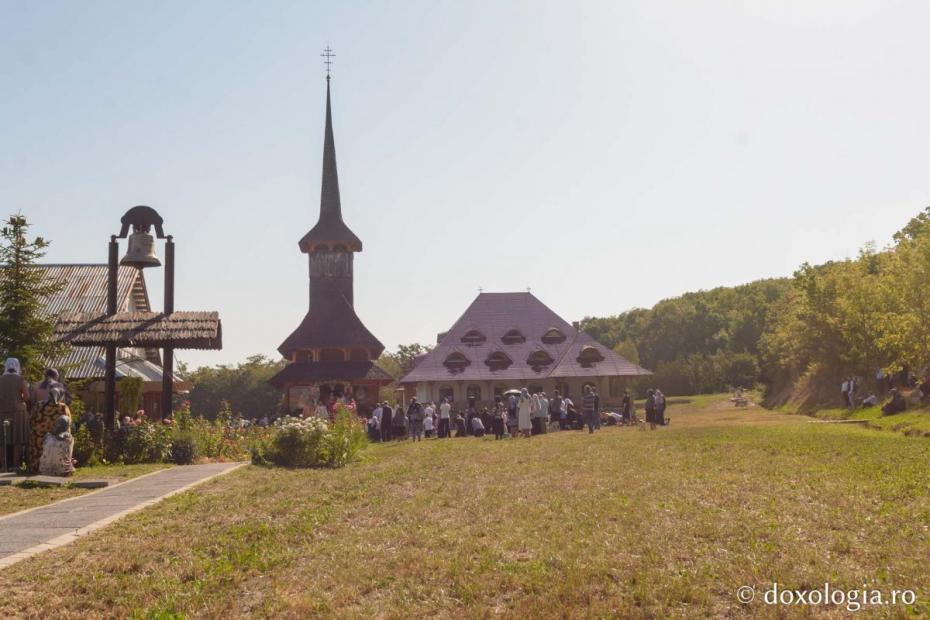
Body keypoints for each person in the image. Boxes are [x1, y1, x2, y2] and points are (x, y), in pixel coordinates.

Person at [29, 387, 71, 473]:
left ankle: (35, 467)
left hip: (38, 437)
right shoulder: (63, 407)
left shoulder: (39, 404)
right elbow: (68, 422)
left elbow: (31, 419)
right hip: (55, 438)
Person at [0, 358, 29, 470]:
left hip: (2, 411)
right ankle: (16, 465)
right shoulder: (20, 379)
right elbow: (26, 397)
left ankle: (3, 466)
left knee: (1, 440)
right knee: (17, 438)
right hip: (18, 412)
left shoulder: (0, 379)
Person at [38, 404, 75, 477]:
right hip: (62, 471)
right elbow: (68, 453)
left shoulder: (47, 436)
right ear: (67, 425)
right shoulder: (69, 438)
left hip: (44, 470)